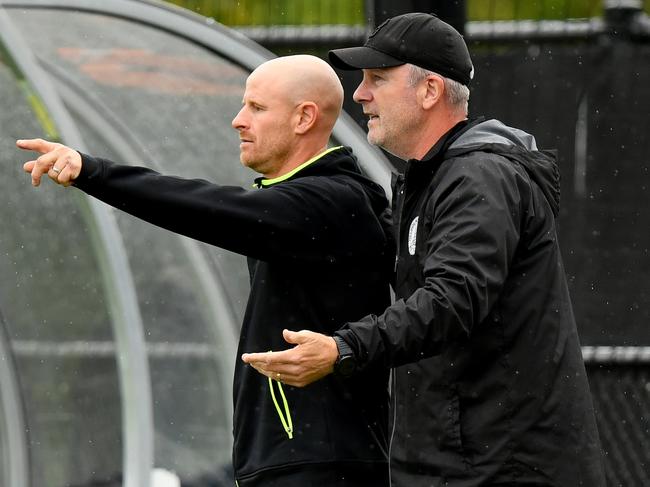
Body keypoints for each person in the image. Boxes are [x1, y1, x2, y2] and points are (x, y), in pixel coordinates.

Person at [242, 13, 607, 486]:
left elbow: (452, 301)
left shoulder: (479, 177)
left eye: (377, 79)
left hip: (506, 469)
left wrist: (342, 348)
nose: (360, 94)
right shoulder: (430, 181)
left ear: (430, 90)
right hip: (459, 466)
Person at [17, 55, 394, 487]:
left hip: (319, 464)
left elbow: (203, 208)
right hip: (304, 458)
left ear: (304, 117)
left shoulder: (328, 202)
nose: (238, 120)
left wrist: (93, 171)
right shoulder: (323, 199)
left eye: (256, 107)